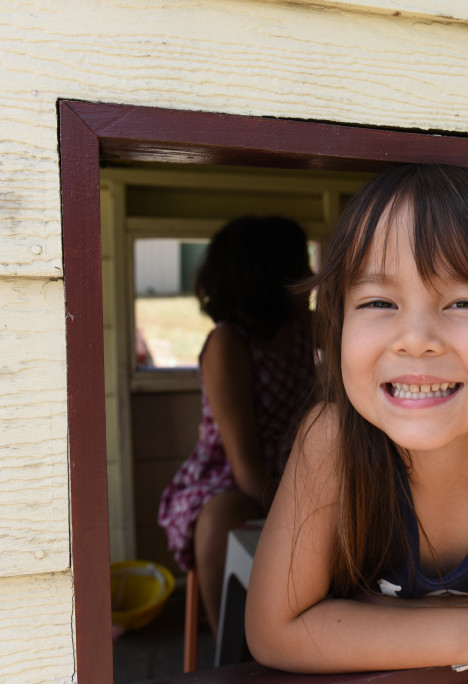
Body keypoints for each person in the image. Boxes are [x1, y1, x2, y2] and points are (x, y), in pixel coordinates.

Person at [245, 165, 468, 683]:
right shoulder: (330, 439)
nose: (416, 338)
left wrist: (383, 625)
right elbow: (274, 631)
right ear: (337, 333)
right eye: (378, 302)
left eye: (463, 301)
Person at [157, 215, 316, 632]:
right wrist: (297, 514)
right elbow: (244, 465)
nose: (313, 278)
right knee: (220, 520)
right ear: (270, 278)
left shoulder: (304, 328)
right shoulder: (229, 344)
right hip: (228, 479)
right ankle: (229, 651)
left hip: (295, 469)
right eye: (302, 267)